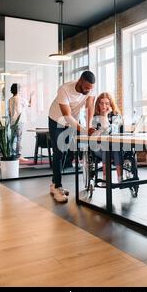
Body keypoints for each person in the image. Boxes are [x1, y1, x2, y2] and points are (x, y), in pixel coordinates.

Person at [48, 71, 96, 203]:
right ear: (80, 81)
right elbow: (66, 116)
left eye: (90, 88)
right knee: (58, 151)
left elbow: (90, 106)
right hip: (57, 119)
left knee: (64, 152)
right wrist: (84, 129)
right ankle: (57, 186)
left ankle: (54, 184)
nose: (88, 91)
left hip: (72, 122)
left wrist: (89, 125)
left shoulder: (90, 88)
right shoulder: (64, 89)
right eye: (86, 87)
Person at [92, 92, 123, 186]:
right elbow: (102, 134)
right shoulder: (95, 118)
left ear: (111, 104)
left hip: (114, 147)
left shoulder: (116, 116)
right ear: (98, 104)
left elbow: (113, 131)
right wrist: (104, 115)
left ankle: (120, 179)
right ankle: (105, 178)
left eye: (107, 103)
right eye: (101, 103)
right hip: (99, 148)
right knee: (106, 146)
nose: (104, 106)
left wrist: (106, 116)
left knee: (115, 146)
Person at [8, 83, 31, 162]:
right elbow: (29, 104)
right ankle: (18, 155)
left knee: (13, 138)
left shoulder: (10, 99)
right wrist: (31, 96)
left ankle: (12, 154)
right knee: (19, 139)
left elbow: (10, 112)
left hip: (12, 121)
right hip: (20, 121)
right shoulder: (20, 98)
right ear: (18, 90)